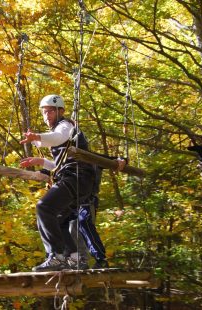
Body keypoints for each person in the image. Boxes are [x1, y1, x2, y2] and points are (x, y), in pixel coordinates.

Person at [19, 94, 95, 272]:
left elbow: (57, 137)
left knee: (44, 207)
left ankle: (56, 256)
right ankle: (74, 257)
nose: (47, 116)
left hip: (77, 177)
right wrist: (40, 161)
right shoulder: (62, 133)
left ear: (61, 111)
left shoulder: (66, 126)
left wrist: (37, 136)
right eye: (44, 113)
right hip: (78, 180)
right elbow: (59, 164)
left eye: (51, 111)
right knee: (58, 218)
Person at [59, 157, 127, 270]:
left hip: (88, 199)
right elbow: (53, 168)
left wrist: (122, 160)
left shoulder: (91, 157)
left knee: (84, 223)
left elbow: (112, 160)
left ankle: (100, 259)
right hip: (71, 201)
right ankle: (72, 259)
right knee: (63, 224)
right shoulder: (66, 158)